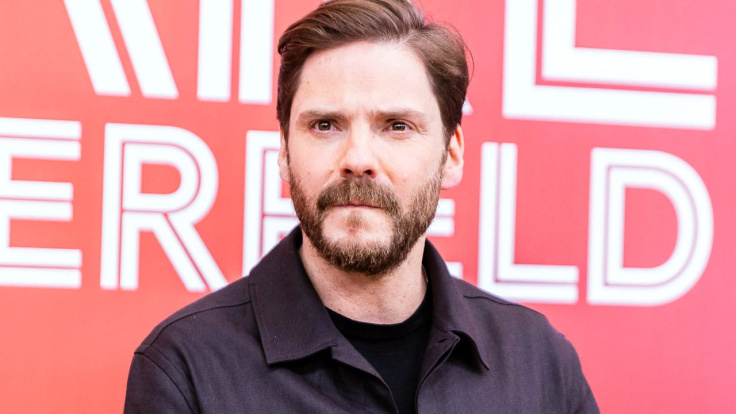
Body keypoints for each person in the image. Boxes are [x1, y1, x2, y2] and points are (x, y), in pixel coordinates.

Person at [123, 0, 599, 412]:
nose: (357, 159)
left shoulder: (540, 363)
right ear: (284, 153)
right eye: (325, 125)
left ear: (451, 155)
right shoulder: (184, 368)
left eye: (397, 126)